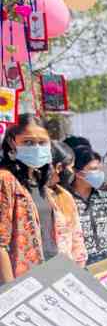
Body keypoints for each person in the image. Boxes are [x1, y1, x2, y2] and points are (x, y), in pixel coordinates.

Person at [0, 114, 49, 282]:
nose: (36, 147)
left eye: (42, 142)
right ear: (12, 142)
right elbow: (0, 243)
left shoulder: (40, 180)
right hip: (23, 281)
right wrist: (12, 290)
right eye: (28, 142)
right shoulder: (5, 180)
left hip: (51, 274)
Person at [69, 146, 107, 266]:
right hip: (79, 266)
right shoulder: (66, 200)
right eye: (94, 169)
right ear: (78, 173)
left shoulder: (106, 197)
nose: (99, 174)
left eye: (99, 169)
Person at [47, 141, 87, 267]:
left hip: (68, 270)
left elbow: (76, 236)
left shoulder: (65, 196)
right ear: (58, 167)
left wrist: (79, 265)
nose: (72, 172)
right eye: (70, 167)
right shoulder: (39, 198)